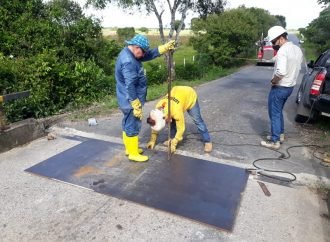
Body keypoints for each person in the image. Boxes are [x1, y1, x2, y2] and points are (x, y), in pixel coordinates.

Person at [115, 34, 175, 162]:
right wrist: (135, 103)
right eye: (142, 52)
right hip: (131, 99)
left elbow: (146, 55)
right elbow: (130, 84)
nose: (143, 56)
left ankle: (129, 149)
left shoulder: (131, 53)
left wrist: (162, 48)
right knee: (133, 124)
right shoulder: (129, 61)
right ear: (137, 47)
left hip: (126, 98)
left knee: (127, 123)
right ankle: (133, 154)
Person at [261, 26, 303, 149]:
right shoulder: (296, 49)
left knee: (274, 113)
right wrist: (271, 59)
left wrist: (273, 81)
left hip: (280, 87)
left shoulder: (283, 51)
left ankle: (275, 141)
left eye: (274, 42)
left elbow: (280, 72)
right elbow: (289, 62)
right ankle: (280, 135)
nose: (273, 44)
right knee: (278, 111)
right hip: (290, 87)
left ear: (280, 38)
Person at [146, 86, 212, 153]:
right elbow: (155, 122)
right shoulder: (157, 109)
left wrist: (174, 143)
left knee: (198, 120)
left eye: (165, 121)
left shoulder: (176, 111)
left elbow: (181, 128)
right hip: (177, 94)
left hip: (189, 95)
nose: (167, 123)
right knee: (171, 122)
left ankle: (207, 141)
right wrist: (152, 140)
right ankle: (171, 138)